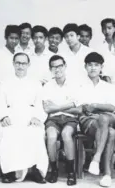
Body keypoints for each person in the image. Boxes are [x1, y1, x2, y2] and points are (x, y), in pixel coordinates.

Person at [0, 52, 48, 184]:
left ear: (28, 65)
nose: (20, 66)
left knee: (35, 133)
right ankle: (9, 171)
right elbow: (0, 103)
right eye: (18, 63)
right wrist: (3, 116)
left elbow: (40, 104)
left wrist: (37, 117)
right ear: (13, 64)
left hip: (30, 116)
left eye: (23, 63)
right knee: (8, 133)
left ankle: (36, 170)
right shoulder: (5, 83)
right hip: (11, 116)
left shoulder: (35, 83)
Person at [78, 52, 115, 187]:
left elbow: (113, 107)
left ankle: (96, 158)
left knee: (104, 119)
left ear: (102, 67)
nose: (93, 68)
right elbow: (81, 107)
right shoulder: (79, 85)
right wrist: (101, 110)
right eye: (90, 65)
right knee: (111, 132)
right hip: (88, 122)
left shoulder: (108, 86)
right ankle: (107, 173)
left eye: (96, 65)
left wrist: (95, 106)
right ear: (85, 67)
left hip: (103, 119)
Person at [43, 55, 80, 186]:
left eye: (60, 66)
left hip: (70, 119)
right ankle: (53, 169)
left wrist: (57, 107)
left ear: (65, 66)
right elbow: (47, 108)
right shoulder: (47, 86)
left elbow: (78, 107)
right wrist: (67, 105)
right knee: (51, 136)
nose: (57, 69)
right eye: (54, 66)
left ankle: (71, 171)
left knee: (66, 134)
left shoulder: (74, 84)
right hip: (53, 119)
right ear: (50, 69)